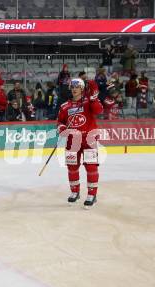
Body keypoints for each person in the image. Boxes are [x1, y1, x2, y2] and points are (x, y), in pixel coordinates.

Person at [57, 78, 103, 209]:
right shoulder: (64, 106)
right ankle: (75, 192)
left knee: (91, 167)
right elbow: (60, 122)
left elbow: (99, 110)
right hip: (73, 141)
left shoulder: (89, 102)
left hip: (89, 139)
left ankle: (92, 195)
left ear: (82, 88)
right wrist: (62, 129)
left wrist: (93, 97)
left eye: (77, 86)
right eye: (72, 87)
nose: (74, 89)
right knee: (72, 168)